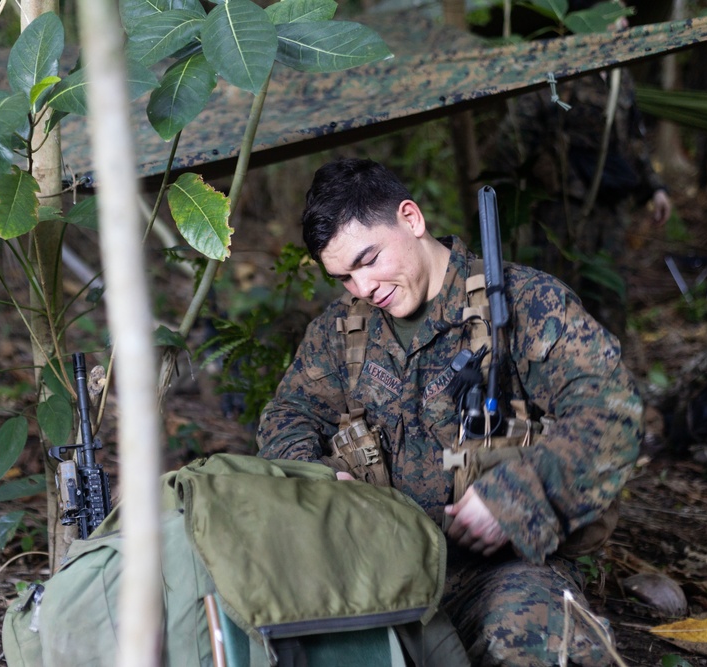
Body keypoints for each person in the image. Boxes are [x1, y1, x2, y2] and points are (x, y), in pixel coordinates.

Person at [257, 158, 643, 666]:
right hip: (375, 574)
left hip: (497, 572)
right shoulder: (338, 333)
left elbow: (612, 414)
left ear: (411, 219)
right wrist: (321, 480)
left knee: (536, 641)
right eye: (344, 277)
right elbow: (287, 416)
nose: (363, 288)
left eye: (369, 259)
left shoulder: (526, 304)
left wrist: (513, 496)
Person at [489, 0, 671, 339]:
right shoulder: (561, 68)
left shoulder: (621, 76)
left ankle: (612, 371)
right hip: (564, 207)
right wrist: (507, 197)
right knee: (561, 295)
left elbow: (632, 139)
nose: (624, 25)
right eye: (616, 18)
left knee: (610, 295)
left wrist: (655, 188)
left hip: (611, 206)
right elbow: (517, 133)